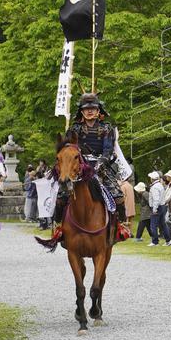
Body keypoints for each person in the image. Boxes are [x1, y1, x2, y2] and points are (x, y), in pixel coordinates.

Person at [56, 93, 128, 241]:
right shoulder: (74, 129)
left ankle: (121, 225)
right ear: (81, 111)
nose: (90, 111)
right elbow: (69, 149)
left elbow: (108, 149)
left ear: (98, 111)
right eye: (86, 109)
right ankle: (59, 227)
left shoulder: (107, 128)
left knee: (118, 194)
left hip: (101, 165)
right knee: (62, 194)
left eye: (93, 108)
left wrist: (102, 162)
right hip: (78, 165)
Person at [147, 171, 171, 247]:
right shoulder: (160, 185)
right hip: (162, 206)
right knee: (162, 224)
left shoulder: (154, 187)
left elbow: (156, 199)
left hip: (157, 207)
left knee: (153, 225)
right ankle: (168, 240)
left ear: (152, 179)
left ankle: (155, 241)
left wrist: (154, 209)